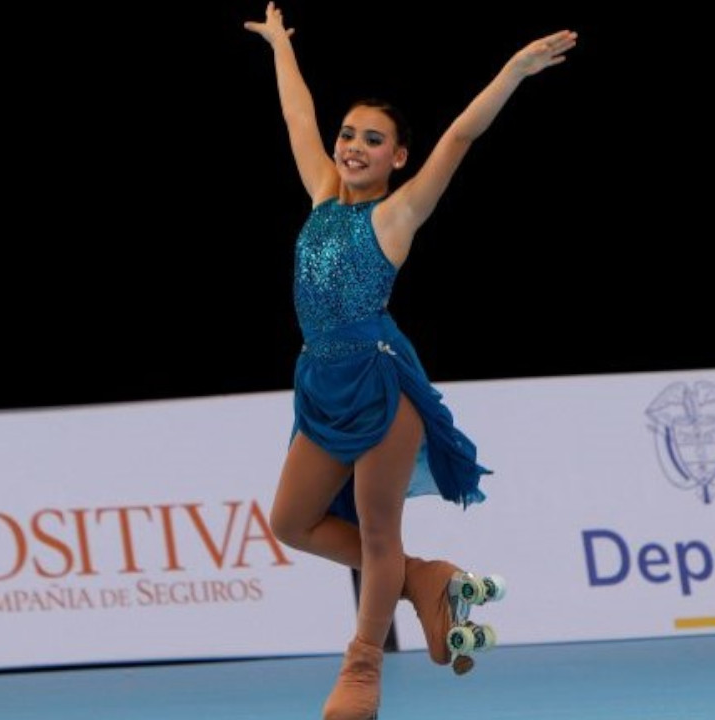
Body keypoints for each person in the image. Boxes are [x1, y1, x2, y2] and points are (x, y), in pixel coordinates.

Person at [244, 4, 577, 718]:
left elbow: (460, 134)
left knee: (375, 534)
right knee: (291, 521)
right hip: (320, 385)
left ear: (397, 157)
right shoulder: (321, 198)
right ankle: (429, 581)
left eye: (373, 139)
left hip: (379, 385)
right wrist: (280, 47)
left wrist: (514, 71)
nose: (352, 145)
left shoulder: (395, 217)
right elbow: (298, 117)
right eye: (349, 133)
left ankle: (362, 669)